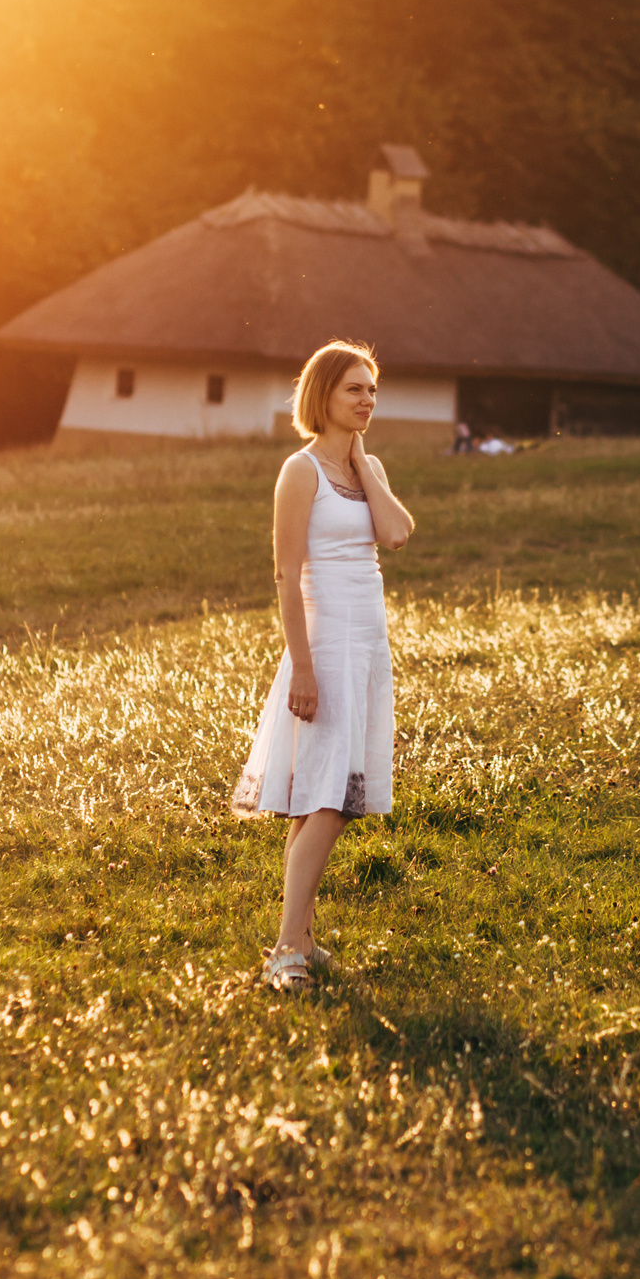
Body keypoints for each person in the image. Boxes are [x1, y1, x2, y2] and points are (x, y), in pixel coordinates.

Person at [232, 340, 416, 992]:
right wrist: (302, 669)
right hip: (324, 647)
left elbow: (396, 534)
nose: (367, 399)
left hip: (366, 648)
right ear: (324, 397)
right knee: (331, 800)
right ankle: (286, 949)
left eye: (372, 389)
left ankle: (303, 943)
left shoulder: (369, 467)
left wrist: (363, 462)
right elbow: (285, 573)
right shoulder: (299, 470)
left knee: (322, 804)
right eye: (353, 390)